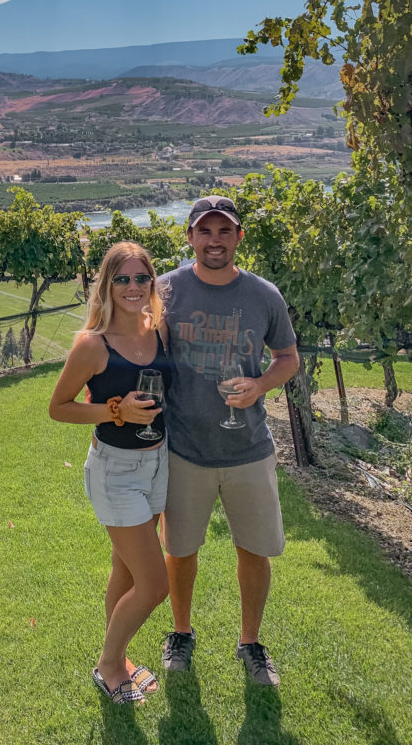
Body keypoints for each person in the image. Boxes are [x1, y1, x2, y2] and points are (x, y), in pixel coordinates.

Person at [158, 195, 299, 686]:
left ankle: (251, 642)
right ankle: (180, 633)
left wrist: (260, 385)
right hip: (183, 447)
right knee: (180, 549)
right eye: (205, 231)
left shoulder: (264, 295)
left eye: (224, 231)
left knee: (253, 550)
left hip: (248, 449)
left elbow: (288, 357)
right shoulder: (166, 291)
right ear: (190, 237)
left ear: (239, 237)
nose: (214, 241)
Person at [49, 242, 174, 704]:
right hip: (116, 472)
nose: (134, 287)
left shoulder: (158, 331)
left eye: (142, 278)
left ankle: (118, 659)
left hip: (158, 464)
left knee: (125, 570)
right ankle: (108, 665)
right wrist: (116, 411)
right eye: (122, 279)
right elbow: (58, 408)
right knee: (155, 584)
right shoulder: (92, 345)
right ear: (106, 285)